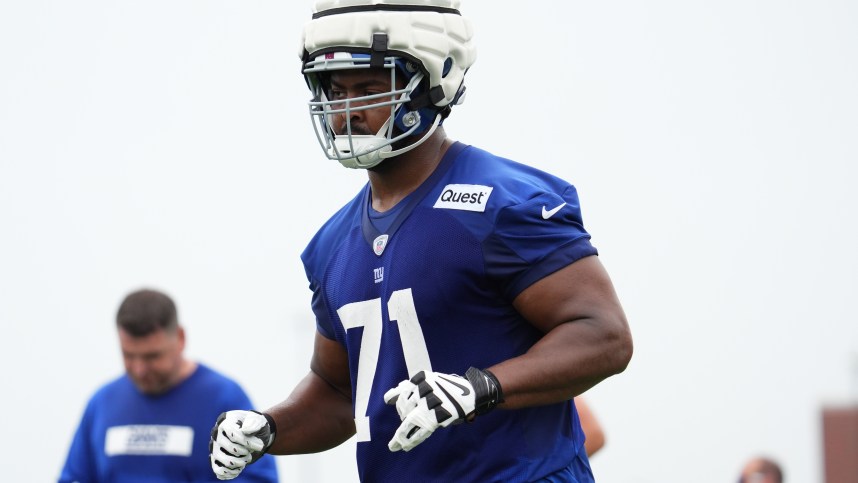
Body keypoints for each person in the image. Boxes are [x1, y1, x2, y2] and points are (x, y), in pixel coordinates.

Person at [209, 1, 633, 481]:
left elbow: (604, 334)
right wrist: (270, 428)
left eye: (368, 89)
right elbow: (339, 391)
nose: (346, 110)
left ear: (433, 82)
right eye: (335, 89)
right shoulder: (331, 243)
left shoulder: (500, 203)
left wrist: (481, 388)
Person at [59, 288, 279, 483]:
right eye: (128, 355)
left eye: (152, 356)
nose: (139, 369)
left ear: (180, 338)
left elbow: (258, 478)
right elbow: (75, 477)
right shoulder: (102, 403)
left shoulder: (224, 398)